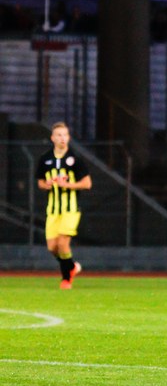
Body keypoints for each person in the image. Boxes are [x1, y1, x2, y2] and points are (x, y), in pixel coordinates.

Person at [36, 122, 92, 290]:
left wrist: (67, 185)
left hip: (70, 209)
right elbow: (40, 182)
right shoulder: (45, 159)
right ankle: (71, 266)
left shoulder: (75, 159)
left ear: (68, 137)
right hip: (53, 210)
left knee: (62, 243)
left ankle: (66, 279)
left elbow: (87, 183)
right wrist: (47, 184)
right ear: (52, 138)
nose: (62, 138)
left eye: (65, 135)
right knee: (52, 247)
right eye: (59, 135)